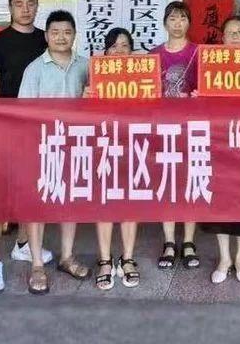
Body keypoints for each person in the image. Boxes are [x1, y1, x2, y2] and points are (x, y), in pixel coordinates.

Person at [0, 0, 51, 293]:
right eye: (19, 3)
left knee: (32, 190)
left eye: (30, 3)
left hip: (38, 129)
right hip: (6, 128)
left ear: (37, 6)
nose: (25, 8)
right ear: (10, 7)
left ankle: (23, 244)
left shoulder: (45, 39)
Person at [16, 10, 92, 294]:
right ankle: (37, 263)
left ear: (75, 35)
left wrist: (90, 99)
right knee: (38, 205)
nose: (61, 38)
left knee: (70, 201)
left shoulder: (86, 66)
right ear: (47, 36)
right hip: (42, 144)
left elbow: (99, 106)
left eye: (67, 32)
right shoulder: (34, 69)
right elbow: (23, 113)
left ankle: (67, 257)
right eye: (56, 33)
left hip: (76, 144)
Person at [202, 15, 240, 285]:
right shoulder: (211, 64)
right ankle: (224, 257)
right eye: (230, 32)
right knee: (221, 199)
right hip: (220, 140)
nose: (235, 36)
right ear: (222, 38)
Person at [93, 27, 141, 291]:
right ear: (106, 51)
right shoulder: (95, 74)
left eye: (125, 45)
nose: (119, 51)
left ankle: (128, 258)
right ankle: (105, 260)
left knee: (130, 203)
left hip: (133, 146)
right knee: (105, 202)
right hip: (103, 145)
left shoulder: (143, 78)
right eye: (114, 46)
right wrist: (86, 99)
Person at [154, 1, 200, 271]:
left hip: (191, 129)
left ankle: (189, 241)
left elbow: (210, 89)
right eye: (172, 18)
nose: (177, 23)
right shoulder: (153, 55)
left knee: (190, 182)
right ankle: (170, 241)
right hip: (163, 129)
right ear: (165, 23)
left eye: (182, 18)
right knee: (168, 183)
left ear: (189, 23)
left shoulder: (199, 53)